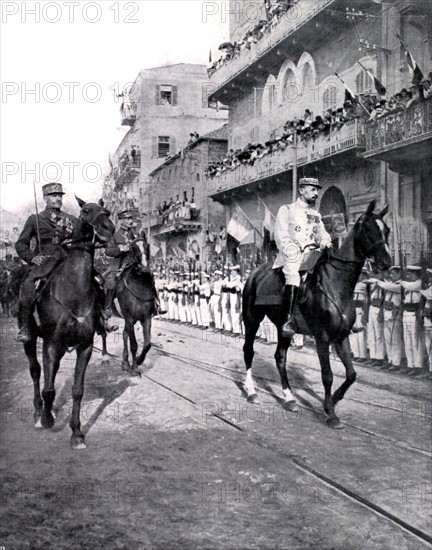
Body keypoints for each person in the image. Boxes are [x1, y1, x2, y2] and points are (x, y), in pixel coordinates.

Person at [14, 183, 78, 342]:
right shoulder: (35, 219)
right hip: (44, 261)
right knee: (27, 287)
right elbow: (20, 244)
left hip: (67, 259)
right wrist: (32, 257)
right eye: (53, 196)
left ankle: (101, 319)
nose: (57, 199)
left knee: (95, 280)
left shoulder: (71, 219)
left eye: (59, 196)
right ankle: (25, 328)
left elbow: (81, 239)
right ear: (45, 199)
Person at [273, 177, 332, 337]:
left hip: (312, 255)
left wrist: (325, 241)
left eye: (317, 190)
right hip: (292, 255)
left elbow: (322, 233)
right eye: (312, 189)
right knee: (293, 273)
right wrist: (293, 250)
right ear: (301, 190)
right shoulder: (287, 210)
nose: (316, 193)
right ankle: (289, 319)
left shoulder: (316, 215)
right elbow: (281, 235)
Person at [104, 209, 165, 318]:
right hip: (119, 264)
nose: (130, 221)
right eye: (127, 219)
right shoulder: (115, 236)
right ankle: (107, 308)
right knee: (111, 282)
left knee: (149, 277)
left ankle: (156, 305)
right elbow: (108, 251)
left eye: (131, 218)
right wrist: (120, 248)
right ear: (121, 221)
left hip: (135, 264)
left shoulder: (136, 234)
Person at [401, 265, 423, 374]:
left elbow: (409, 286)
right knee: (407, 340)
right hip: (406, 312)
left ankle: (417, 366)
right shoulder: (408, 284)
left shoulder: (418, 283)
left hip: (414, 314)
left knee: (415, 341)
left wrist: (401, 282)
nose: (408, 276)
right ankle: (410, 364)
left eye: (410, 274)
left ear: (415, 274)